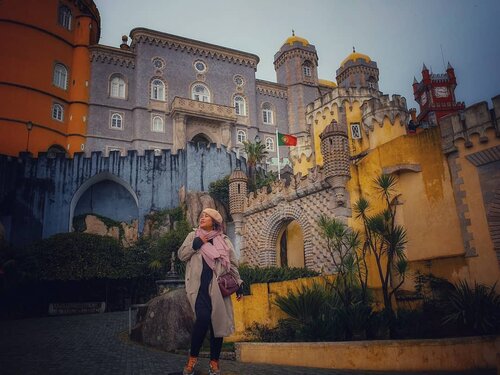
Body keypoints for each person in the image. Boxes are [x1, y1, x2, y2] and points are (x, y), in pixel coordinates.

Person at [178, 208, 243, 375]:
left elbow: (233, 264)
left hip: (219, 288)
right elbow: (181, 255)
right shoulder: (193, 236)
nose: (202, 218)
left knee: (218, 326)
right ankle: (192, 359)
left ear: (214, 221)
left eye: (206, 216)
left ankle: (214, 363)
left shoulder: (224, 240)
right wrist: (195, 245)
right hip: (199, 287)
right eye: (201, 215)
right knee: (203, 319)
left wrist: (239, 283)